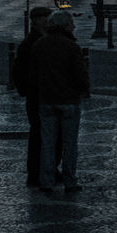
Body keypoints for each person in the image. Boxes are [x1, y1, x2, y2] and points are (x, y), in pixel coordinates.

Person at [30, 11, 90, 193]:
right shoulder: (71, 47)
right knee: (70, 144)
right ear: (64, 26)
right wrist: (84, 89)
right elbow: (81, 75)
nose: (74, 26)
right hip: (69, 101)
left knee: (48, 143)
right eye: (71, 23)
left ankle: (46, 181)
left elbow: (33, 74)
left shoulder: (39, 45)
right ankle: (70, 180)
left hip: (46, 101)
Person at [14, 6, 55, 187]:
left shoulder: (45, 40)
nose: (47, 21)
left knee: (49, 136)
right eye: (44, 18)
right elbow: (19, 71)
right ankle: (35, 172)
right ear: (35, 21)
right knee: (39, 135)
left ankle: (48, 169)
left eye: (49, 17)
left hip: (44, 94)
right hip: (37, 95)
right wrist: (27, 90)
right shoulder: (30, 44)